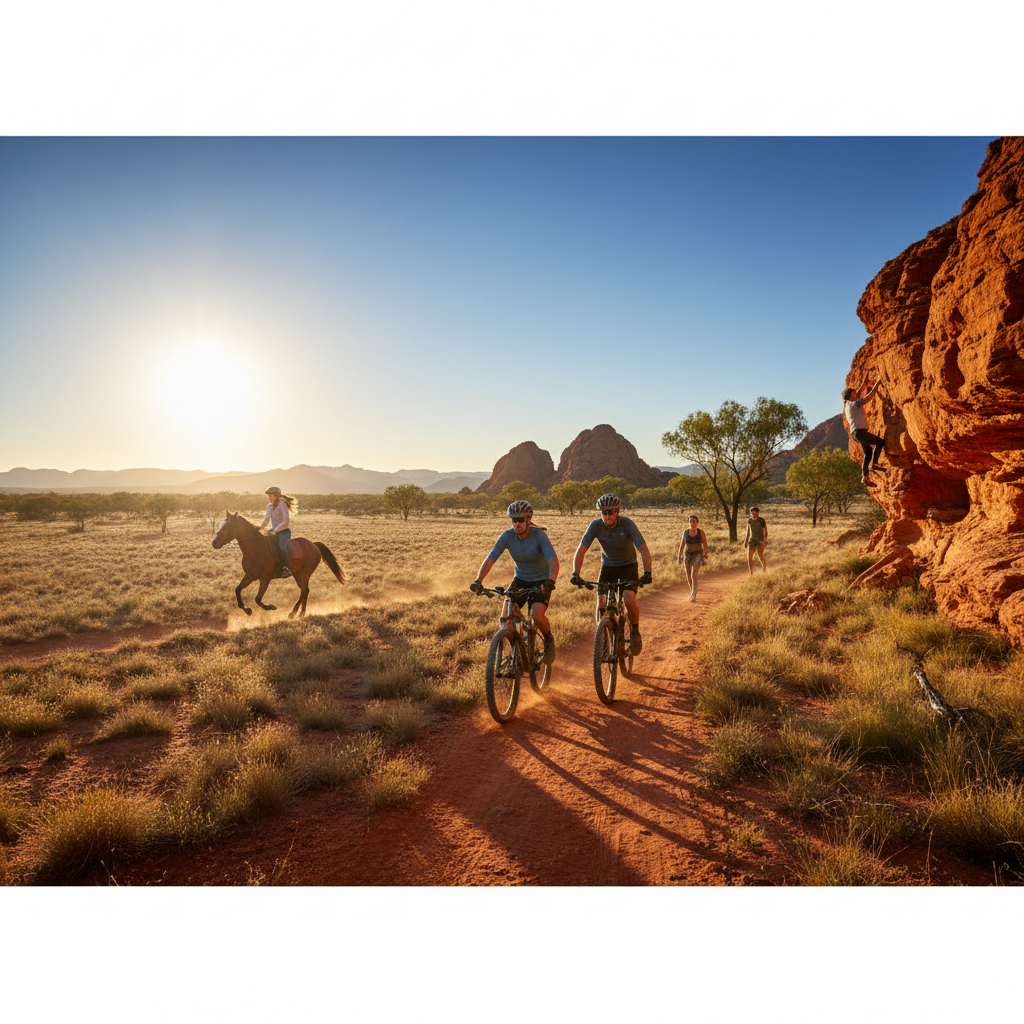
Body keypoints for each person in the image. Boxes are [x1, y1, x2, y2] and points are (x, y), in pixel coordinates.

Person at [470, 500, 559, 664]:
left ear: (528, 520)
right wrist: (478, 580)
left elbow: (553, 561)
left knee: (536, 615)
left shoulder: (539, 535)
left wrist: (550, 581)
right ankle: (515, 651)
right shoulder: (507, 536)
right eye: (514, 520)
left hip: (541, 580)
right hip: (520, 579)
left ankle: (548, 640)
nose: (517, 524)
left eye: (520, 520)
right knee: (506, 617)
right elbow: (491, 559)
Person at [570, 493, 653, 654]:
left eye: (610, 512)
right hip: (608, 566)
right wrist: (575, 573)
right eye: (603, 512)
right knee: (601, 602)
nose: (607, 516)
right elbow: (581, 550)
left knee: (628, 598)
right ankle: (603, 638)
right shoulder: (595, 526)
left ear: (617, 511)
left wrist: (647, 572)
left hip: (628, 565)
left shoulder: (627, 524)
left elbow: (643, 548)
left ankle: (635, 632)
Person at [843, 377, 888, 485]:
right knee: (880, 442)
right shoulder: (854, 404)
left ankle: (865, 477)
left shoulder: (847, 405)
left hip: (856, 434)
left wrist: (864, 384)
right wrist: (877, 385)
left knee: (868, 453)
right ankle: (875, 464)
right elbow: (866, 398)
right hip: (860, 432)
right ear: (850, 396)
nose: (856, 394)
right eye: (854, 394)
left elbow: (858, 394)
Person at [260, 486, 295, 578]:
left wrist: (275, 530)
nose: (270, 498)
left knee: (281, 547)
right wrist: (260, 527)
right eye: (269, 496)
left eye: (272, 496)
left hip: (284, 532)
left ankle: (286, 569)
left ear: (276, 496)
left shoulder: (282, 504)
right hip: (273, 531)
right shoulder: (269, 506)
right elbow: (266, 520)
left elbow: (286, 521)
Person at [676, 514, 708, 602]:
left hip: (698, 555)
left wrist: (705, 556)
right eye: (690, 521)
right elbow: (682, 545)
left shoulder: (701, 532)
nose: (692, 523)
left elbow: (705, 544)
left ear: (697, 522)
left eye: (694, 521)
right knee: (688, 576)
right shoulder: (685, 532)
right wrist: (679, 557)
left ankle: (694, 595)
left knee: (694, 575)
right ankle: (692, 592)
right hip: (687, 555)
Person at [744, 506, 768, 574]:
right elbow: (748, 531)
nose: (754, 515)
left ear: (758, 513)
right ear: (751, 513)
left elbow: (765, 531)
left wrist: (764, 540)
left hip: (760, 540)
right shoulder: (750, 520)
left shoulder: (761, 520)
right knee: (749, 558)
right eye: (753, 514)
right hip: (752, 540)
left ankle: (764, 570)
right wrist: (745, 541)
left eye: (756, 514)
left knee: (760, 556)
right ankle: (751, 574)